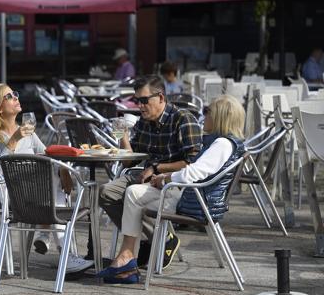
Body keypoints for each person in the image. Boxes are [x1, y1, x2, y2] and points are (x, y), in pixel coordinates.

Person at [97, 95, 245, 284]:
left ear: (221, 117)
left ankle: (127, 261)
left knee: (132, 197)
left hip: (196, 201)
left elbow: (195, 172)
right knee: (133, 192)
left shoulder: (222, 144)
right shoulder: (220, 141)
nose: (203, 116)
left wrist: (166, 178)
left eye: (207, 111)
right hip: (192, 194)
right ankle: (127, 258)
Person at [0, 83, 94, 274]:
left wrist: (62, 164)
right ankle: (66, 254)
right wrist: (14, 140)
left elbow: (48, 155)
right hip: (7, 193)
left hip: (34, 191)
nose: (16, 97)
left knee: (53, 175)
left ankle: (52, 239)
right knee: (53, 189)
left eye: (15, 93)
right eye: (9, 96)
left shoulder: (27, 132)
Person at [99, 75, 202, 269]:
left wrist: (156, 168)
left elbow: (193, 163)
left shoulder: (183, 119)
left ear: (161, 97)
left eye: (144, 100)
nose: (140, 106)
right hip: (142, 178)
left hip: (172, 183)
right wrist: (122, 137)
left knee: (133, 196)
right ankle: (159, 238)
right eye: (137, 101)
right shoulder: (144, 122)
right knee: (105, 192)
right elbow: (131, 160)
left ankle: (134, 250)